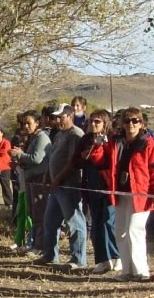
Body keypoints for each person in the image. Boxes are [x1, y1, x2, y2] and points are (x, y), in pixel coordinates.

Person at [89, 107, 154, 281]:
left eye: (135, 121)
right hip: (120, 192)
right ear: (121, 124)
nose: (131, 124)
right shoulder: (115, 142)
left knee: (135, 230)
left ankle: (141, 271)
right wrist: (98, 146)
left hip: (141, 194)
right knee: (121, 231)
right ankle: (127, 270)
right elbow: (100, 161)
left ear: (142, 124)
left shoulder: (149, 144)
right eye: (127, 121)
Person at [33, 103, 87, 268]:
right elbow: (53, 157)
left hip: (69, 185)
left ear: (70, 116)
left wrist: (58, 178)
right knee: (50, 221)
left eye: (61, 117)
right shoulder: (59, 134)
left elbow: (73, 162)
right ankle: (50, 255)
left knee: (74, 222)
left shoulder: (76, 135)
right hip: (56, 186)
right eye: (56, 117)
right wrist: (47, 175)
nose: (57, 120)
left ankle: (78, 259)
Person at [73, 109, 121, 274]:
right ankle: (102, 260)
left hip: (108, 188)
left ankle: (117, 256)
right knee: (96, 225)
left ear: (105, 123)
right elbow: (75, 161)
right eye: (91, 121)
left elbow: (109, 163)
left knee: (109, 222)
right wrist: (84, 155)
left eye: (97, 121)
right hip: (91, 187)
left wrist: (99, 149)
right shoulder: (86, 139)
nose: (93, 124)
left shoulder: (113, 140)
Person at [9, 110, 52, 255]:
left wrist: (20, 154)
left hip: (39, 181)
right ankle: (35, 243)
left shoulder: (42, 138)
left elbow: (37, 158)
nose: (26, 126)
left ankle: (40, 247)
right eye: (24, 123)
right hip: (30, 180)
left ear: (37, 123)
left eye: (29, 123)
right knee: (33, 214)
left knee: (40, 215)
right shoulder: (32, 138)